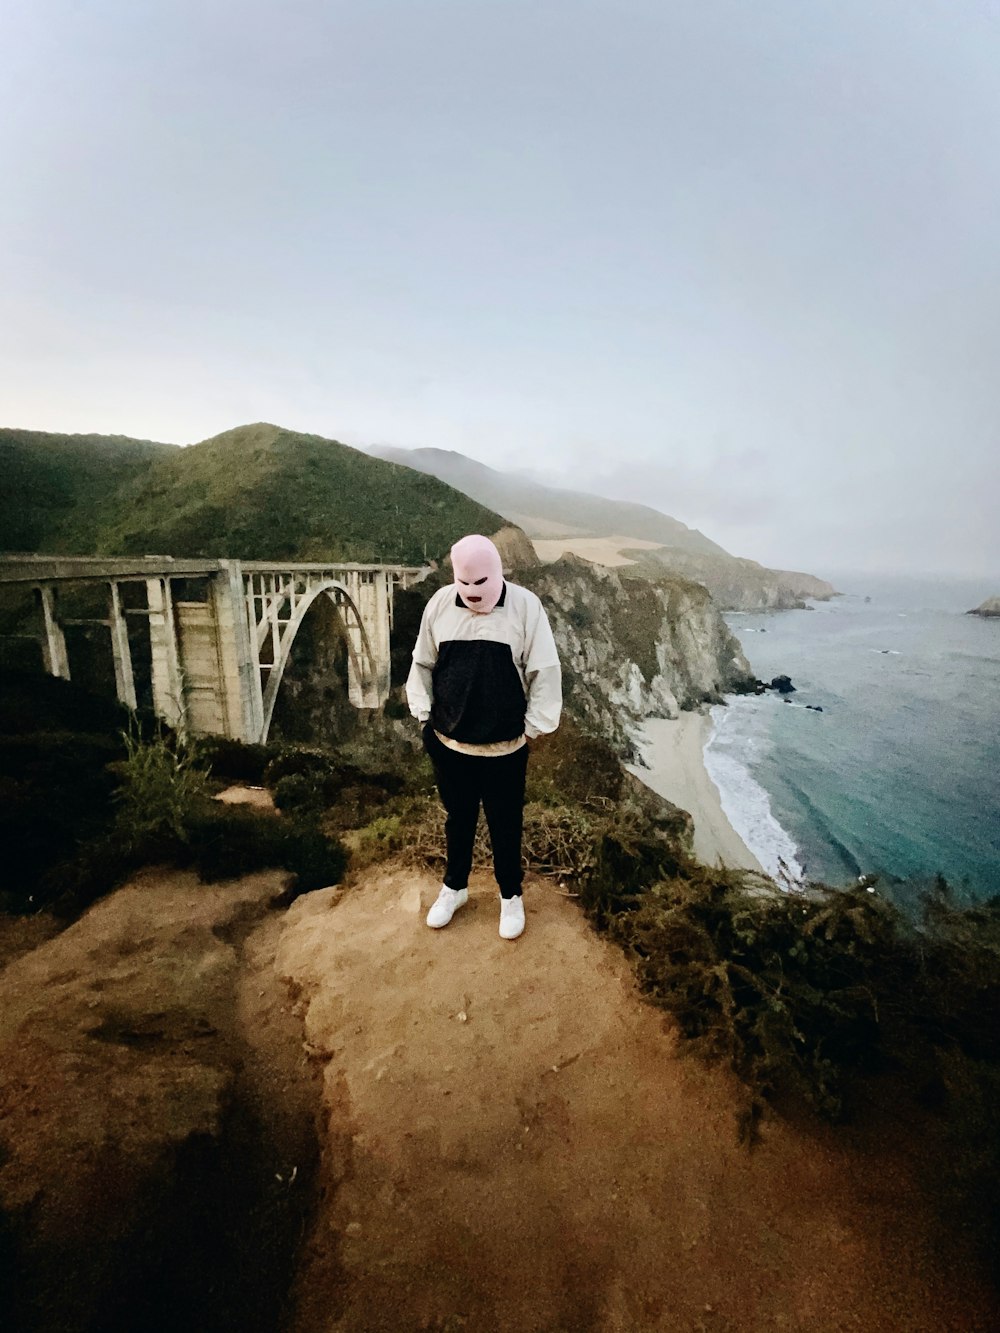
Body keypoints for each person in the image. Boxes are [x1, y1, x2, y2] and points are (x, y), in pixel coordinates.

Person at [405, 533, 562, 940]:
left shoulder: (526, 607)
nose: (474, 592)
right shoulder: (439, 604)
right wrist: (424, 719)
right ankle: (454, 888)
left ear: (499, 573)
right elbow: (422, 663)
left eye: (482, 583)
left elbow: (544, 670)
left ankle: (510, 895)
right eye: (466, 583)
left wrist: (532, 728)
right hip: (449, 742)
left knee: (505, 823)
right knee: (458, 820)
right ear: (456, 577)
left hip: (505, 747)